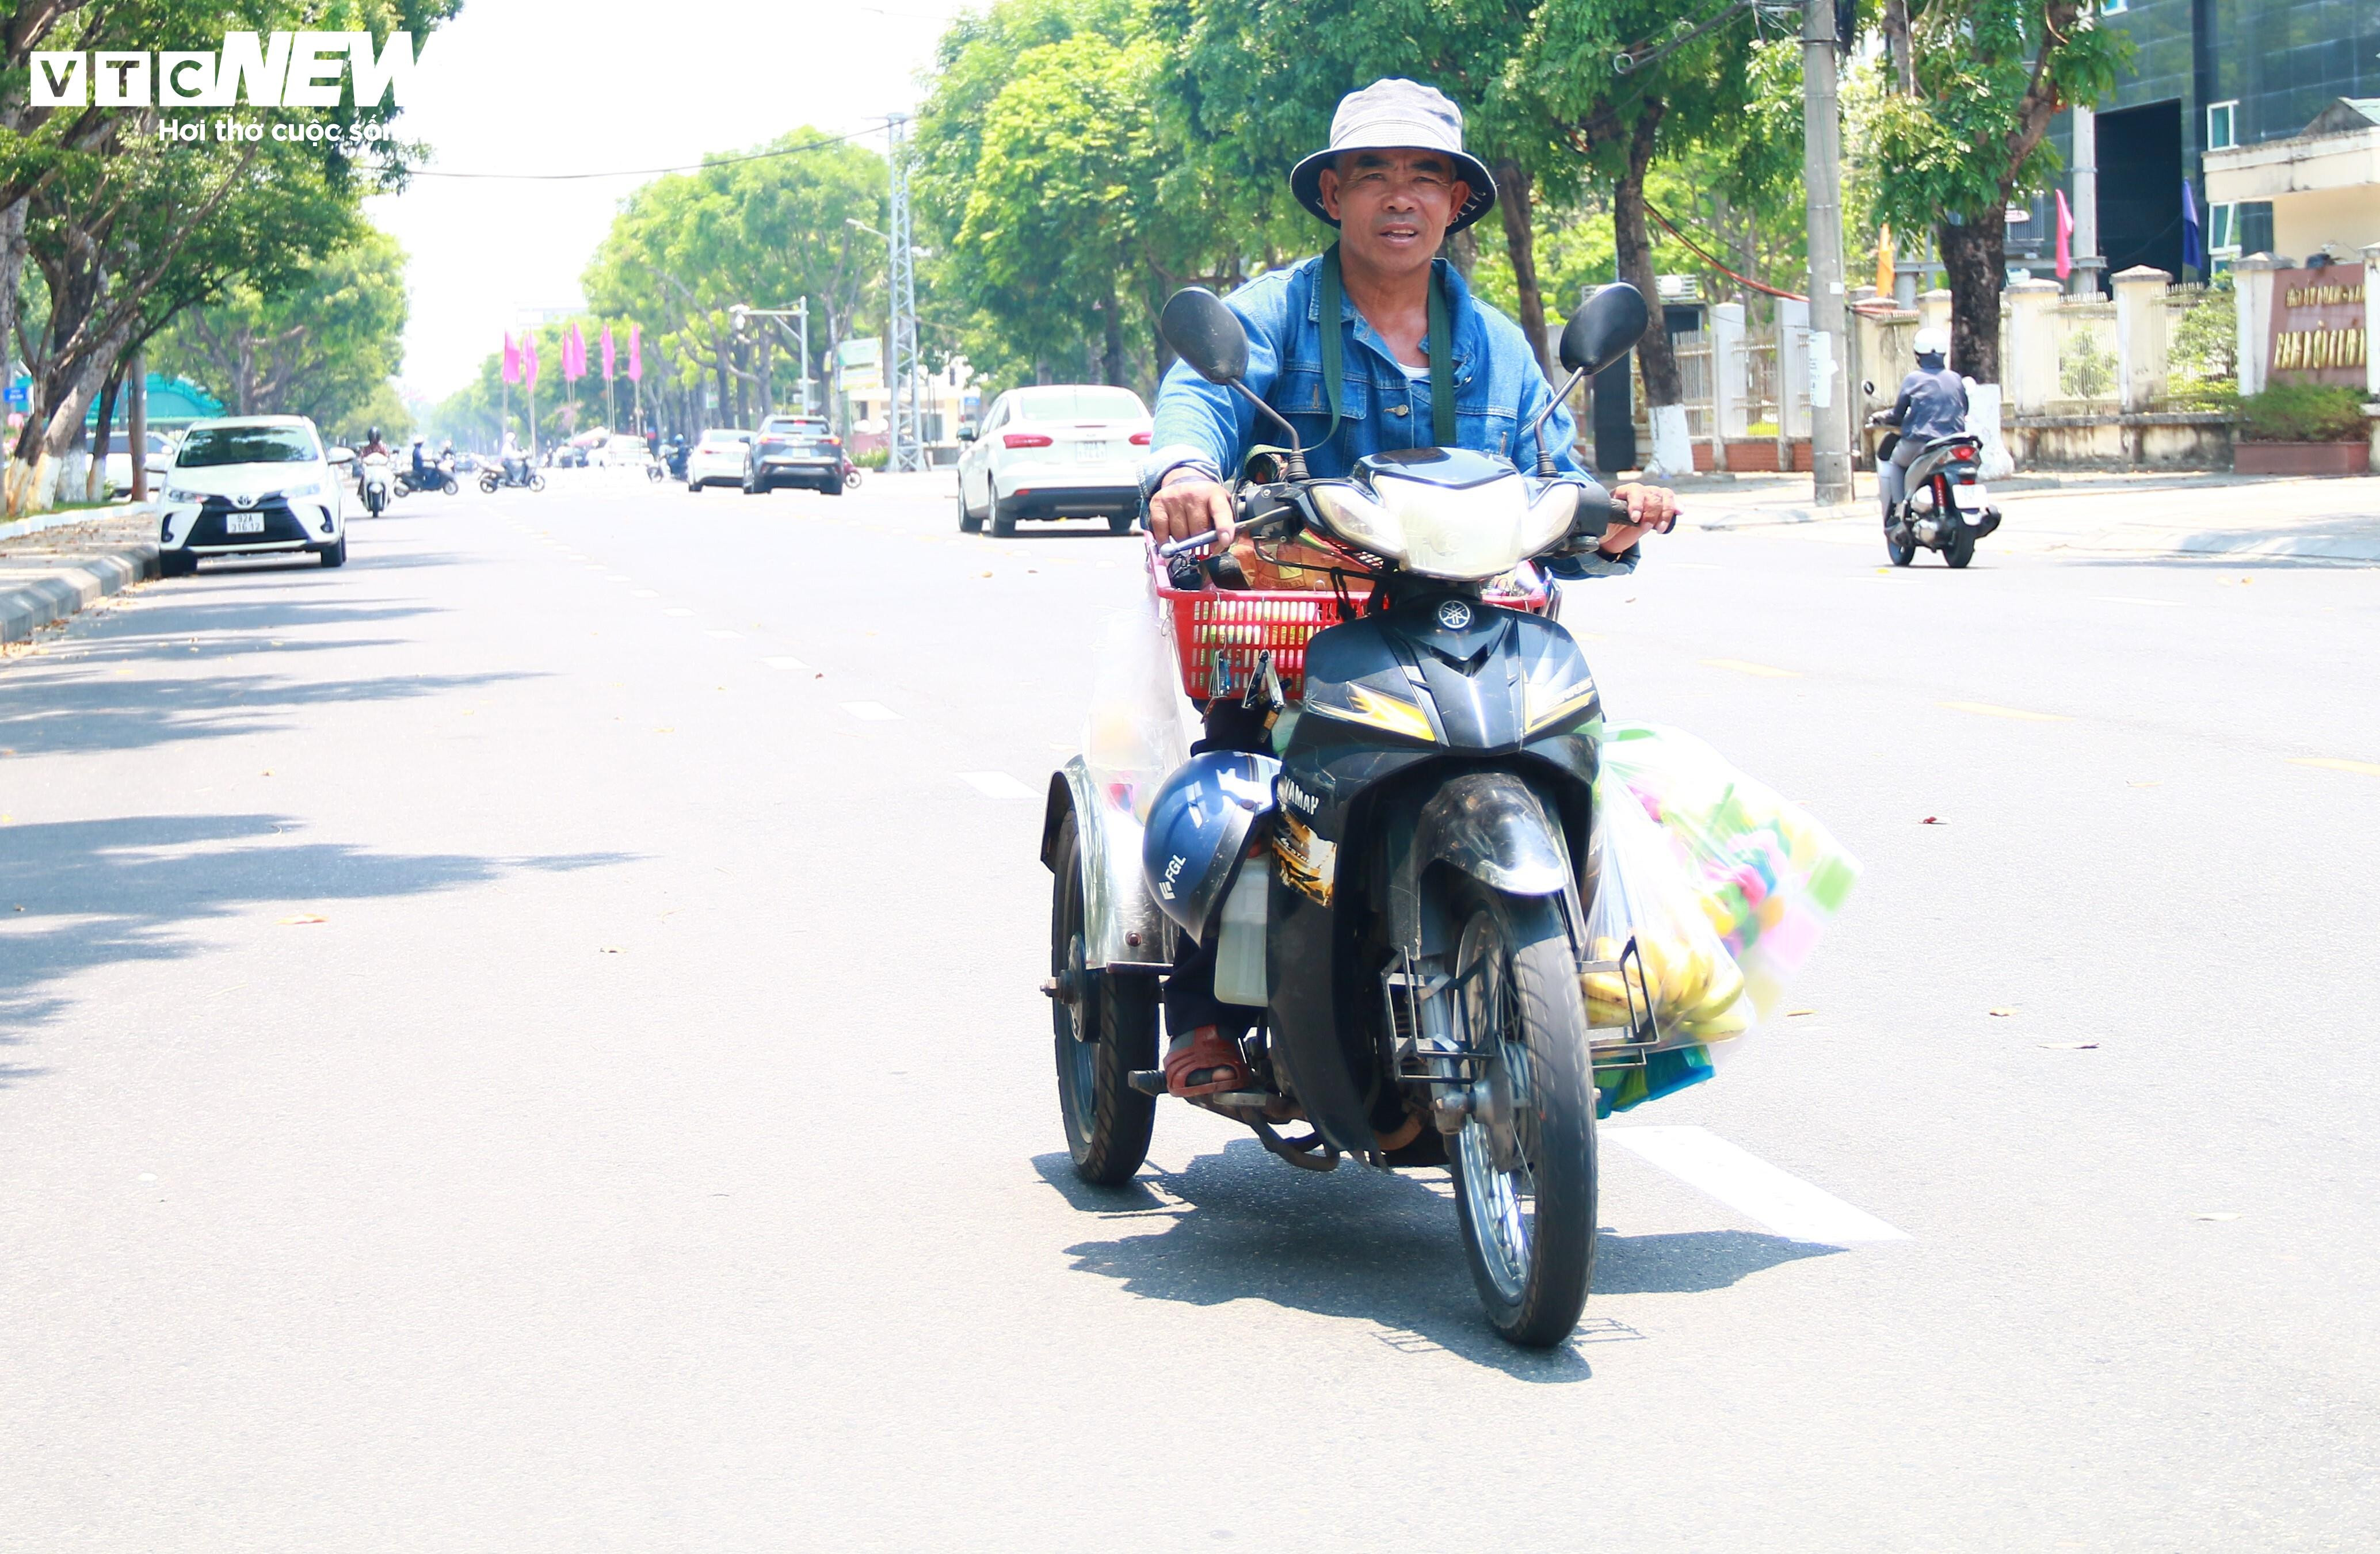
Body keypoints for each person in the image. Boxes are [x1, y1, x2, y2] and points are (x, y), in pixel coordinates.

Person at [1141, 78, 1680, 1102]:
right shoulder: (1270, 316)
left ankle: (1581, 972)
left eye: (1426, 176)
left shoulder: (1499, 347)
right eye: (1377, 175)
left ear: (1455, 204)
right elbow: (1197, 404)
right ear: (1334, 194)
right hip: (1298, 624)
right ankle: (1202, 1007)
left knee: (1571, 754)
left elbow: (1551, 474)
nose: (1402, 197)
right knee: (1243, 777)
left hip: (1462, 618)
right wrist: (1184, 475)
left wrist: (1611, 512)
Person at [1874, 327, 1967, 520]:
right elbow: (1964, 409)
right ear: (1943, 354)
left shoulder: (1913, 379)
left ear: (1918, 356)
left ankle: (1899, 509)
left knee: (1895, 463)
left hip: (1922, 442)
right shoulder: (1955, 378)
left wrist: (1882, 416)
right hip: (1954, 443)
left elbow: (1898, 415)